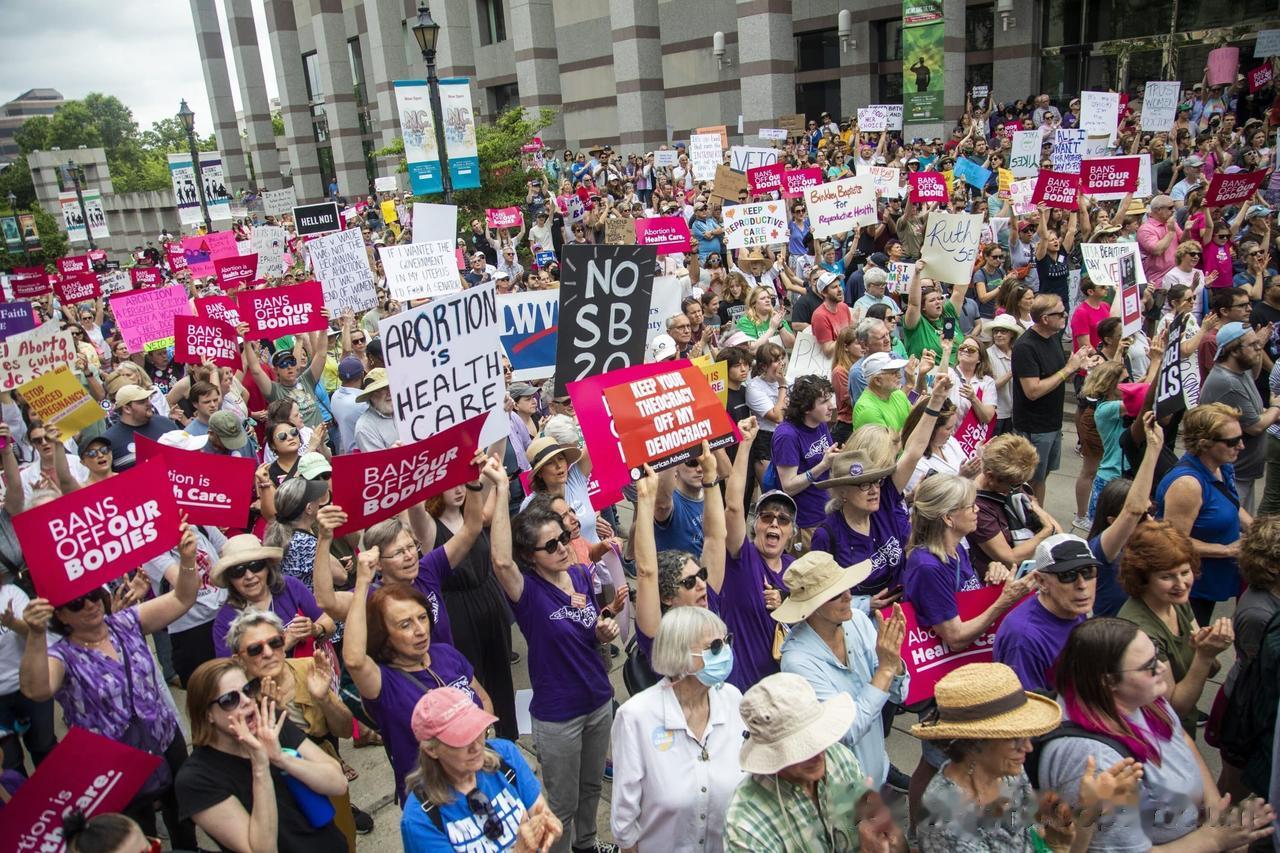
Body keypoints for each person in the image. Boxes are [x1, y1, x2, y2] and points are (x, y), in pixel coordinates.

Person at [19, 522, 202, 847]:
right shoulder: (63, 655)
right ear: (60, 616)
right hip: (114, 762)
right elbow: (37, 690)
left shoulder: (126, 622)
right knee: (136, 833)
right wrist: (34, 634)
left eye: (93, 595)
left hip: (163, 737)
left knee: (184, 814)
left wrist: (187, 559)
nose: (89, 605)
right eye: (76, 603)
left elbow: (183, 598)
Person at [1040, 617, 1277, 851]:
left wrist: (1215, 809)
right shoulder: (1093, 761)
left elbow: (1180, 736)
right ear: (1108, 681)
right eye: (1149, 665)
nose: (1162, 668)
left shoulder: (1141, 696)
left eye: (1156, 655)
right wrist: (1215, 840)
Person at [488, 457, 624, 853]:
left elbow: (589, 625)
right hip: (559, 716)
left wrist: (602, 630)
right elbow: (500, 561)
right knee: (561, 805)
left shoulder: (579, 574)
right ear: (530, 556)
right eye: (550, 546)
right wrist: (501, 489)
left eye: (563, 538)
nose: (563, 547)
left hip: (598, 701)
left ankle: (587, 844)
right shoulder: (528, 594)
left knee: (592, 787)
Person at [901, 473, 1038, 823]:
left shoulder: (957, 548)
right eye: (969, 506)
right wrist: (1003, 602)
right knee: (940, 763)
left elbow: (966, 598)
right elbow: (956, 635)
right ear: (948, 517)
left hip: (962, 673)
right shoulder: (928, 566)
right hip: (943, 683)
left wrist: (994, 573)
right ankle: (924, 832)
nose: (977, 510)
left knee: (942, 762)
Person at [913, 662, 1134, 853]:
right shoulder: (945, 824)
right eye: (1015, 739)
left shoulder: (1008, 776)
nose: (1028, 747)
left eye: (1028, 736)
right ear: (974, 742)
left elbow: (1037, 840)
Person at [811, 375, 954, 612]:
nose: (874, 490)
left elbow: (914, 451)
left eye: (877, 481)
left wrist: (937, 400)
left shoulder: (884, 501)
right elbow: (817, 598)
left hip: (903, 612)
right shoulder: (827, 535)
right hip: (859, 624)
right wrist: (864, 605)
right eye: (863, 484)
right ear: (842, 489)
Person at [176, 658, 349, 852]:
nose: (246, 701)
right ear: (207, 714)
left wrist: (282, 759)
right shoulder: (197, 779)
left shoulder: (270, 723)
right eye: (230, 700)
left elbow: (338, 783)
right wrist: (260, 767)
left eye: (248, 689)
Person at [611, 607, 745, 853]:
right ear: (680, 654)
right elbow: (625, 821)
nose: (726, 652)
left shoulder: (733, 699)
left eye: (727, 641)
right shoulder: (636, 718)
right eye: (715, 647)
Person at [722, 672, 904, 852]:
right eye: (802, 748)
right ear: (773, 754)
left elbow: (857, 827)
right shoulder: (747, 824)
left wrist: (876, 829)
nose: (818, 753)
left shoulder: (838, 758)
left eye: (818, 737)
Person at [227, 610, 367, 841]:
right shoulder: (237, 700)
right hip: (277, 793)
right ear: (238, 659)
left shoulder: (308, 668)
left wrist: (324, 699)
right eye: (255, 649)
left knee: (341, 839)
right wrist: (270, 715)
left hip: (324, 774)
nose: (268, 653)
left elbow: (344, 731)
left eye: (275, 643)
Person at [776, 549, 908, 791]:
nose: (849, 596)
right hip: (842, 795)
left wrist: (894, 658)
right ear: (813, 606)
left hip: (877, 773)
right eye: (836, 593)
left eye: (847, 587)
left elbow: (900, 693)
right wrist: (886, 670)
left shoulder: (858, 620)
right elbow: (845, 731)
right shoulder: (797, 661)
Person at [400, 686, 562, 852]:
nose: (476, 747)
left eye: (476, 729)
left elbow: (540, 811)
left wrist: (547, 825)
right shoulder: (420, 819)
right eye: (461, 739)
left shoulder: (505, 755)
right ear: (431, 749)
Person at [1116, 520, 1234, 735]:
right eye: (1166, 576)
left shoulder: (1175, 601)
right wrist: (1205, 655)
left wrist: (1208, 646)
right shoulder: (1142, 631)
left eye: (1185, 572)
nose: (1181, 584)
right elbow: (1174, 708)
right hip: (1162, 734)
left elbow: (1211, 669)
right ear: (1143, 578)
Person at [1155, 402, 1251, 627]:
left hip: (1212, 579)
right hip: (1190, 588)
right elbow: (1174, 541)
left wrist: (1257, 530)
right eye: (1232, 441)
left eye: (1241, 437)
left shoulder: (1222, 466)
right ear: (1204, 443)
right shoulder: (1187, 485)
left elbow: (1231, 506)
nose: (1241, 445)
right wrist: (1227, 550)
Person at [1012, 294, 1094, 504]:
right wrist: (1068, 369)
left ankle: (1037, 514)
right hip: (1034, 427)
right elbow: (1032, 391)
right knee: (1032, 481)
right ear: (1045, 319)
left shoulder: (1053, 337)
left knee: (1043, 475)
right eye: (1060, 313)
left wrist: (1076, 366)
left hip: (1052, 423)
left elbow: (1056, 375)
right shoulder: (1025, 347)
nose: (1065, 315)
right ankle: (1033, 517)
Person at [993, 534, 1098, 692]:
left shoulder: (1073, 606)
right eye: (1068, 576)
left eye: (1088, 572)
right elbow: (1030, 704)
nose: (1082, 585)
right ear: (1041, 581)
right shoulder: (1024, 638)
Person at [208, 533, 335, 658]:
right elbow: (232, 669)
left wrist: (315, 629)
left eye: (256, 566)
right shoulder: (225, 621)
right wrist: (282, 644)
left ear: (267, 567)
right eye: (238, 571)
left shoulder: (290, 586)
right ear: (230, 579)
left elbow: (329, 624)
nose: (249, 576)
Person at [1199, 323, 1279, 514]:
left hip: (1242, 473)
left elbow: (1254, 409)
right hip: (1232, 475)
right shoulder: (1228, 382)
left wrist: (1258, 343)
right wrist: (1276, 407)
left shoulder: (1240, 372)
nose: (1259, 349)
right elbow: (1255, 426)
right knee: (1235, 526)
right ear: (1234, 351)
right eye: (1253, 345)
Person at [967, 432, 1062, 582]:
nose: (1019, 488)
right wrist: (1046, 531)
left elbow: (1058, 531)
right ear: (990, 476)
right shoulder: (977, 508)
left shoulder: (1011, 482)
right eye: (1015, 485)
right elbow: (1010, 558)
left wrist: (1050, 527)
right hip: (1001, 580)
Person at [771, 375, 837, 545]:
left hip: (826, 513)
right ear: (807, 408)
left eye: (830, 399)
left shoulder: (820, 423)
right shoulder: (787, 436)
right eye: (824, 402)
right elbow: (788, 486)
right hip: (805, 523)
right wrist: (823, 465)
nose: (831, 406)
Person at [903, 259, 969, 364]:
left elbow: (959, 291)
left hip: (956, 372)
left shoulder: (948, 314)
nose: (938, 302)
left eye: (939, 298)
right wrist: (917, 273)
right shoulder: (916, 324)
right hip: (928, 373)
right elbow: (913, 304)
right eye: (932, 300)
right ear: (923, 307)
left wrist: (967, 260)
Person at [102, 384, 179, 471]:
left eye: (148, 399)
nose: (149, 404)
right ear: (127, 409)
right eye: (142, 402)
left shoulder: (166, 424)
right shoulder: (109, 441)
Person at [851, 352, 912, 431]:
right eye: (893, 373)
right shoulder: (867, 409)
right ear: (877, 381)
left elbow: (914, 419)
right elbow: (887, 440)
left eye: (898, 371)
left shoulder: (897, 394)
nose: (900, 375)